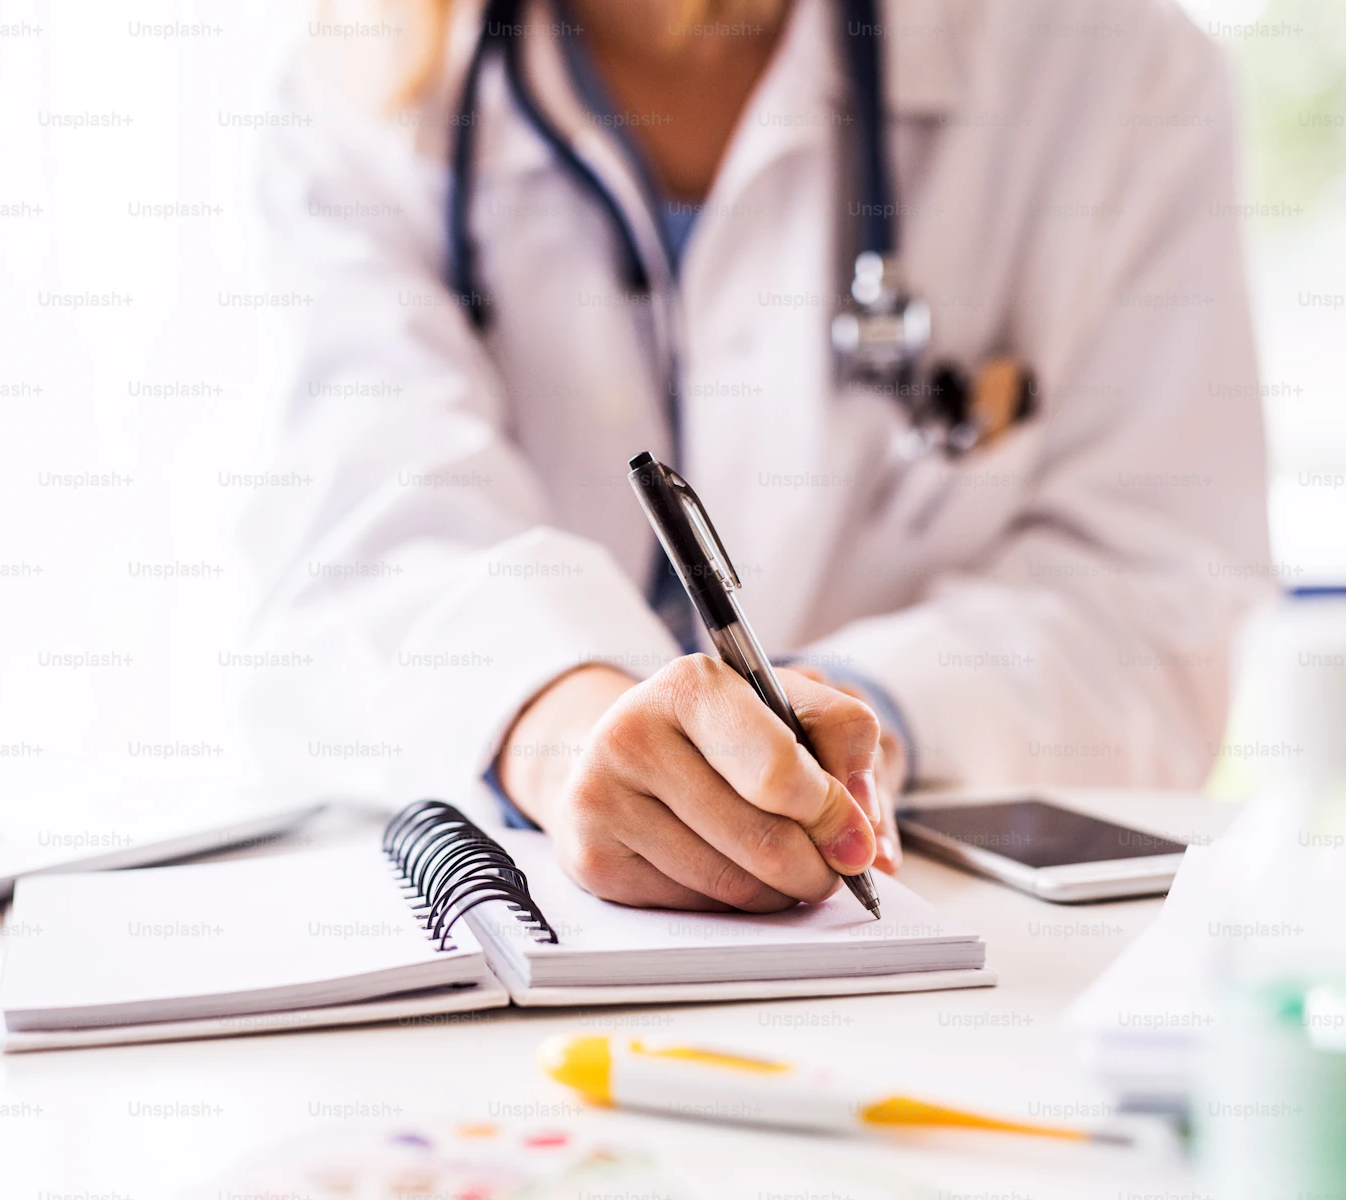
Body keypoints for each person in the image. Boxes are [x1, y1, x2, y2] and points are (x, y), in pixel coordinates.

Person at [242, 0, 1269, 913]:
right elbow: (365, 547)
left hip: (933, 934)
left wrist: (836, 725)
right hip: (499, 925)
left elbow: (1151, 596)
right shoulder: (354, 91)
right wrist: (570, 734)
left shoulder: (1110, 63)